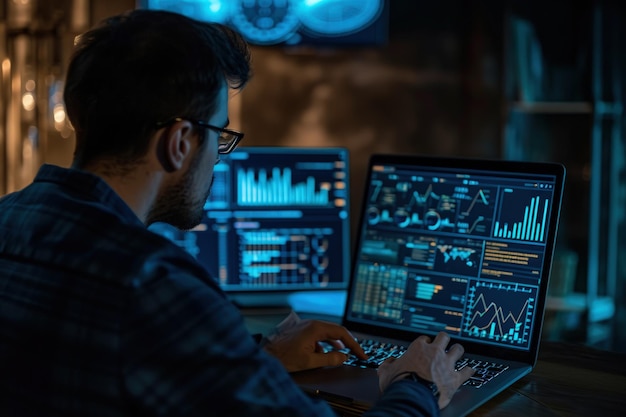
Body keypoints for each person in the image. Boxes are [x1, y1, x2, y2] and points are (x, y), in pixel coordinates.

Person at [0, 9, 474, 417]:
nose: (218, 157)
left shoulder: (9, 221)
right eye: (219, 137)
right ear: (179, 142)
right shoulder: (156, 288)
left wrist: (259, 355)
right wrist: (419, 383)